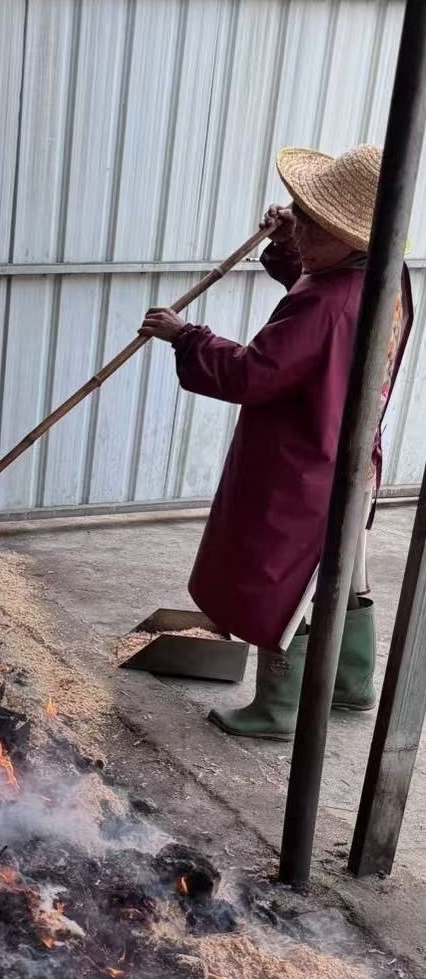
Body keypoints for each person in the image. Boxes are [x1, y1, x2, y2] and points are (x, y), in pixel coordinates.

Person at [139, 144, 413, 740]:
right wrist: (292, 244)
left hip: (304, 465)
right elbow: (317, 281)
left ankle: (275, 710)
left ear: (352, 237)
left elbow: (252, 373)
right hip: (352, 458)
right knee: (345, 575)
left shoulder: (325, 301)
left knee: (282, 583)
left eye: (314, 221)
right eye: (302, 211)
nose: (303, 225)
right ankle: (350, 683)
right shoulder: (387, 281)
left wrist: (187, 337)